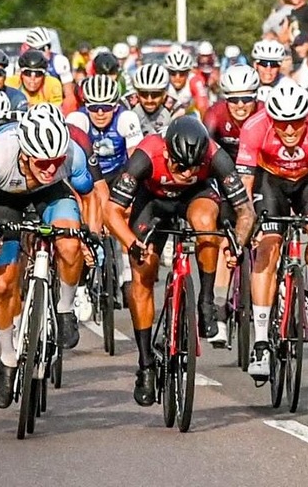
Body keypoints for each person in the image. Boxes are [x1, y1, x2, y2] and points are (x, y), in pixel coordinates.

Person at [0, 106, 99, 409]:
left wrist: (92, 234)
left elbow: (90, 193)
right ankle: (7, 357)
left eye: (56, 162)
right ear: (24, 154)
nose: (50, 167)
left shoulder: (70, 154)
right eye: (43, 162)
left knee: (70, 244)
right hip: (3, 197)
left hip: (52, 195)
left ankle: (65, 306)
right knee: (3, 283)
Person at [105, 116, 255, 404]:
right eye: (180, 166)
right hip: (153, 201)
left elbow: (245, 212)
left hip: (196, 197)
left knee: (206, 223)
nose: (186, 172)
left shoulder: (215, 154)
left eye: (194, 166)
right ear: (167, 154)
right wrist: (132, 244)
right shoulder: (146, 155)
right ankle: (146, 363)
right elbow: (111, 211)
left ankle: (207, 301)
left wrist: (236, 243)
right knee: (143, 273)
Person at [236, 82, 308, 379]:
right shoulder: (254, 127)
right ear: (271, 119)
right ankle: (261, 342)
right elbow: (244, 188)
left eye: (296, 124)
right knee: (268, 247)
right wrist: (246, 229)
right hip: (270, 181)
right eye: (282, 124)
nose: (289, 131)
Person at [65, 75, 144, 178]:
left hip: (119, 174)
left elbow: (136, 159)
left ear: (115, 107)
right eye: (94, 107)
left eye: (106, 107)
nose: (100, 113)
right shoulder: (77, 119)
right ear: (86, 107)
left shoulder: (126, 117)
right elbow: (69, 163)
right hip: (87, 176)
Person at [161, 50, 210, 118]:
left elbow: (203, 107)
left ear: (188, 72)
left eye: (182, 73)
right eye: (173, 73)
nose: (177, 77)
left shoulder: (194, 80)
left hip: (189, 117)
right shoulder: (163, 81)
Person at [128, 62, 171, 135]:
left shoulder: (175, 108)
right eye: (144, 94)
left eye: (155, 94)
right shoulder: (125, 105)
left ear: (164, 94)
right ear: (137, 93)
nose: (149, 100)